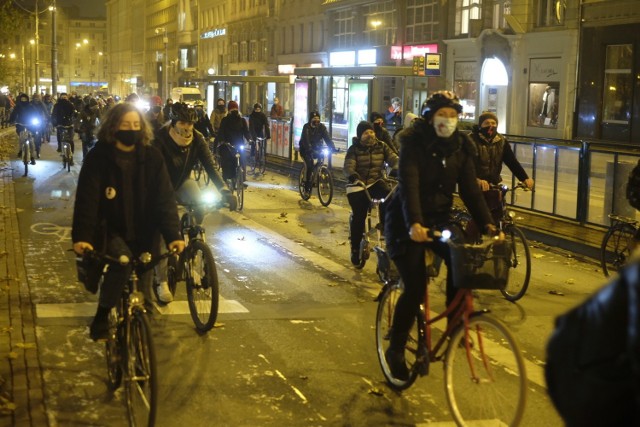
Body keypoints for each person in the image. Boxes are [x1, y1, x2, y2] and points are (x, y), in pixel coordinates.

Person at [383, 91, 498, 380]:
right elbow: (409, 186)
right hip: (405, 221)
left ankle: (455, 321)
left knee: (463, 261)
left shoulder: (462, 147)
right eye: (441, 115)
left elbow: (470, 190)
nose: (447, 120)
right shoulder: (414, 144)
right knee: (416, 284)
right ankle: (395, 348)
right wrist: (415, 224)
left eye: (452, 115)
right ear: (429, 117)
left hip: (439, 220)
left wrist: (489, 225)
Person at [71, 102, 185, 341]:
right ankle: (102, 316)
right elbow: (87, 200)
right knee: (121, 265)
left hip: (145, 234)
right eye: (125, 125)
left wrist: (173, 235)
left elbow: (164, 198)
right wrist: (82, 236)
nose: (131, 129)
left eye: (135, 125)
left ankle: (140, 351)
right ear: (113, 127)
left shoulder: (152, 157)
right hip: (110, 231)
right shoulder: (99, 157)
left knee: (144, 294)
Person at [152, 102, 236, 302]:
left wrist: (224, 190)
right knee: (163, 232)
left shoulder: (197, 139)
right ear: (173, 122)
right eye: (182, 122)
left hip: (183, 182)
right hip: (160, 187)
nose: (187, 127)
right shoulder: (160, 139)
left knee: (199, 201)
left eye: (190, 123)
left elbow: (210, 166)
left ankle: (193, 239)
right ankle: (161, 280)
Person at [344, 121, 398, 266]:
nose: (370, 135)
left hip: (375, 182)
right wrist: (353, 176)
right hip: (357, 186)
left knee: (390, 197)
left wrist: (402, 169)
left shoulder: (381, 146)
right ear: (360, 135)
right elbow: (348, 166)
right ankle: (355, 248)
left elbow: (393, 159)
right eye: (366, 132)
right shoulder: (354, 149)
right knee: (360, 215)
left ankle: (385, 226)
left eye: (371, 132)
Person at [469, 111, 534, 227]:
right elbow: (466, 165)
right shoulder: (471, 140)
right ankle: (469, 242)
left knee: (498, 216)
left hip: (493, 184)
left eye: (493, 123)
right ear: (480, 126)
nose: (491, 126)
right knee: (478, 219)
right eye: (486, 123)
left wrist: (525, 178)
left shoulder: (501, 141)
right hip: (475, 185)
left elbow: (512, 162)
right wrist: (476, 180)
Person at [298, 111, 336, 192]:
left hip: (317, 149)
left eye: (318, 119)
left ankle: (315, 178)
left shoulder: (321, 127)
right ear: (310, 119)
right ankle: (307, 183)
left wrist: (333, 147)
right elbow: (306, 140)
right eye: (314, 118)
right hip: (305, 150)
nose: (317, 120)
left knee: (320, 162)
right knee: (309, 164)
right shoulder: (306, 127)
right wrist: (309, 149)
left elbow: (327, 138)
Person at [217, 100, 252, 182]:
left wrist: (249, 139)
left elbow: (246, 131)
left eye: (235, 109)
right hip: (228, 145)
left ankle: (242, 179)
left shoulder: (242, 120)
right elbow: (221, 132)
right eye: (232, 110)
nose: (234, 111)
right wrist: (222, 141)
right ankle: (227, 178)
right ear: (229, 111)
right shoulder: (225, 120)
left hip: (239, 144)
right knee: (227, 160)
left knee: (243, 160)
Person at [9, 93, 38, 164]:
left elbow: (36, 114)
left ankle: (32, 157)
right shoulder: (17, 107)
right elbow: (14, 114)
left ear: (27, 99)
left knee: (31, 141)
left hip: (30, 125)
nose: (23, 100)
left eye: (25, 99)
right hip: (20, 124)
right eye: (22, 99)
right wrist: (11, 120)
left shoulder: (31, 106)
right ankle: (21, 150)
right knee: (21, 139)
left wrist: (37, 120)